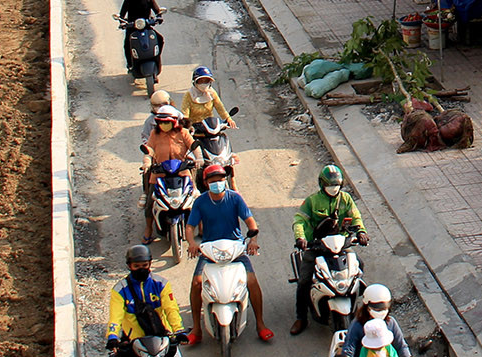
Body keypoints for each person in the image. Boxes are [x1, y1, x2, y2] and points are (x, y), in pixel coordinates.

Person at [184, 163, 273, 343]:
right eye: (213, 181)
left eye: (221, 180)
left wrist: (253, 240)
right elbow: (189, 227)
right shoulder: (200, 202)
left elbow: (250, 222)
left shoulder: (235, 199)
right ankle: (196, 328)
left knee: (252, 281)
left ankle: (260, 324)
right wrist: (192, 243)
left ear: (225, 180)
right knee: (196, 283)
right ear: (206, 182)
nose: (217, 183)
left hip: (236, 248)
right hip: (209, 250)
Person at [106, 244, 183, 357]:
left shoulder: (161, 284)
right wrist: (112, 336)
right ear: (129, 266)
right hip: (134, 341)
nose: (141, 269)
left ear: (150, 264)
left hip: (161, 340)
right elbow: (115, 318)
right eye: (136, 266)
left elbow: (171, 309)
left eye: (144, 265)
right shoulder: (120, 290)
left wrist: (178, 331)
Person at [290, 165, 368, 335]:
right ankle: (301, 317)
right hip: (317, 246)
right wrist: (301, 238)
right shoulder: (312, 201)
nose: (334, 188)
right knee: (304, 280)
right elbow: (299, 220)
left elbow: (356, 216)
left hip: (340, 244)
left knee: (359, 267)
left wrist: (361, 231)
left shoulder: (346, 199)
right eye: (330, 184)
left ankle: (361, 307)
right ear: (321, 184)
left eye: (336, 184)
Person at [141, 105, 197, 243]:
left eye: (167, 122)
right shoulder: (155, 134)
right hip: (160, 174)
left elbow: (194, 146)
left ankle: (201, 227)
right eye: (161, 122)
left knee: (196, 198)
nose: (164, 125)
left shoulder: (183, 133)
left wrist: (199, 158)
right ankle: (148, 228)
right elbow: (149, 150)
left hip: (182, 173)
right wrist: (147, 162)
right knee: (150, 202)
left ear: (175, 122)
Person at [120, 0, 164, 76]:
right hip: (132, 28)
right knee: (127, 44)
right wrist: (122, 22)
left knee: (160, 39)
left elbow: (157, 11)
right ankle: (130, 64)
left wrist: (159, 17)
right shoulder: (128, 0)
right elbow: (122, 15)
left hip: (147, 27)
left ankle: (156, 57)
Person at [182, 66, 234, 135]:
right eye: (201, 81)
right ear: (195, 81)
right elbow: (185, 114)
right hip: (195, 131)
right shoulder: (189, 95)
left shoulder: (212, 93)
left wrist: (228, 118)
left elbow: (220, 108)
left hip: (211, 129)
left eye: (206, 81)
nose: (203, 84)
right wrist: (187, 126)